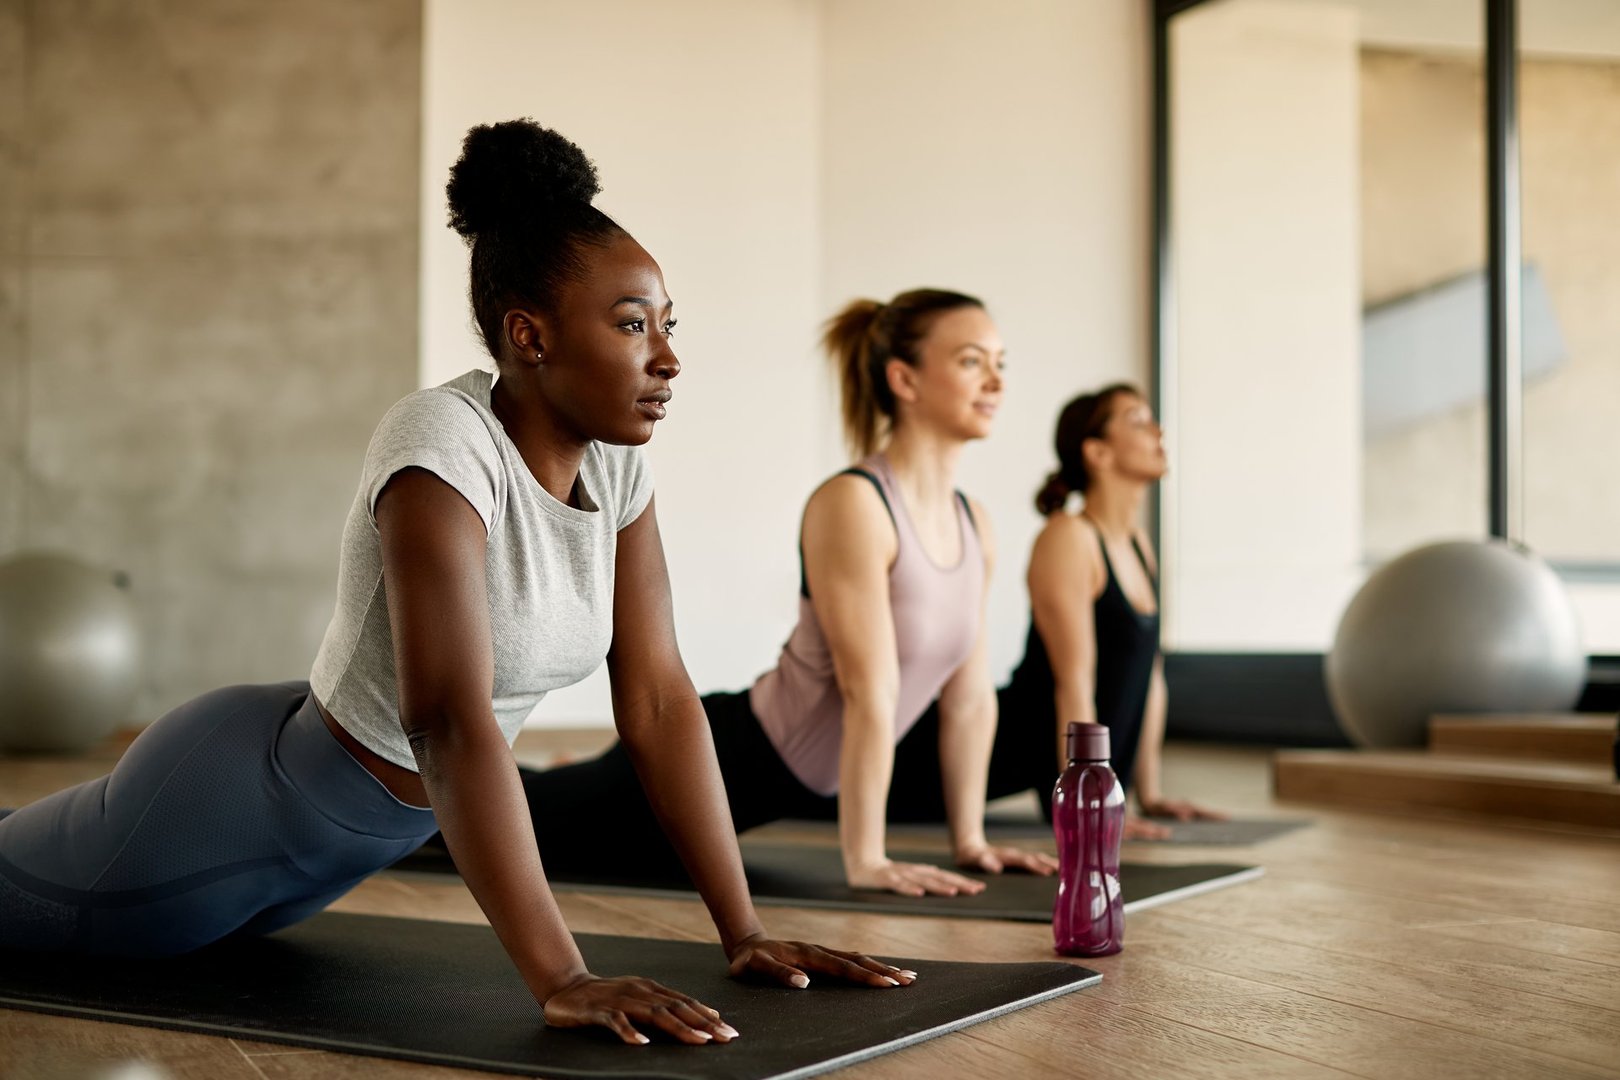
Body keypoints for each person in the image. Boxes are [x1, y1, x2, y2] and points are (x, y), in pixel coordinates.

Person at [0, 119, 910, 1048]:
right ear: (531, 335)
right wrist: (563, 977)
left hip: (323, 859)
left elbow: (660, 699)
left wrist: (743, 930)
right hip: (222, 816)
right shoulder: (440, 440)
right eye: (633, 325)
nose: (667, 357)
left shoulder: (619, 468)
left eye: (668, 325)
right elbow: (446, 720)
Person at [506, 289, 1057, 897]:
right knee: (498, 826)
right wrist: (867, 859)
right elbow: (868, 690)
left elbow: (970, 699)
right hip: (727, 760)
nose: (995, 382)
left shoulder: (974, 522)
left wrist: (971, 841)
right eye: (972, 361)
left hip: (786, 785)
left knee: (529, 806)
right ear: (904, 378)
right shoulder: (856, 503)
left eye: (1000, 364)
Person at [879, 385, 1224, 838]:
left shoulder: (1139, 546)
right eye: (1137, 421)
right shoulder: (1068, 539)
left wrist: (1149, 793)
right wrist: (1084, 801)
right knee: (829, 791)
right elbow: (1073, 682)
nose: (1158, 431)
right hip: (982, 753)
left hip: (1059, 762)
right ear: (1096, 452)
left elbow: (1148, 675)